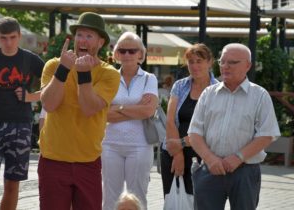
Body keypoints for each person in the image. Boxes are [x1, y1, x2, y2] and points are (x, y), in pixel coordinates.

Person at [38, 12, 120, 210]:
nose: (82, 40)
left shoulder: (109, 74)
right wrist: (63, 70)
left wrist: (84, 75)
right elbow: (49, 104)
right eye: (79, 35)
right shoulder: (53, 65)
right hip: (52, 159)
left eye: (89, 36)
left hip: (87, 161)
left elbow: (89, 108)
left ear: (100, 42)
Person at [188, 43, 280, 210]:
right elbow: (194, 133)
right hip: (209, 168)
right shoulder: (208, 94)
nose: (225, 66)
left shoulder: (260, 95)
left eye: (232, 62)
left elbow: (267, 134)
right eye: (222, 62)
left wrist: (238, 157)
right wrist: (210, 159)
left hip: (245, 171)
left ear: (248, 65)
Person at [0, 17, 45, 210]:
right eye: (3, 38)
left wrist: (31, 96)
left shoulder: (30, 59)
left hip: (20, 125)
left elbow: (55, 85)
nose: (8, 42)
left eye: (12, 37)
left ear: (19, 36)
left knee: (13, 183)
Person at [101, 32, 158, 210]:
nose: (127, 55)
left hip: (140, 145)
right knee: (110, 197)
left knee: (138, 197)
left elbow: (148, 111)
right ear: (116, 54)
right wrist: (135, 109)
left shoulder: (149, 78)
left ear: (140, 54)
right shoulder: (108, 78)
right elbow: (102, 114)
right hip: (110, 143)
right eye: (122, 50)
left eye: (132, 51)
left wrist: (117, 108)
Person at [160, 44, 218, 201]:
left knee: (200, 202)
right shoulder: (180, 85)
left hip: (202, 155)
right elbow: (170, 120)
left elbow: (211, 128)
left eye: (199, 61)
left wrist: (182, 143)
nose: (194, 66)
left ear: (210, 62)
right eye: (191, 61)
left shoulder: (218, 90)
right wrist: (177, 153)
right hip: (172, 152)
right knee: (174, 201)